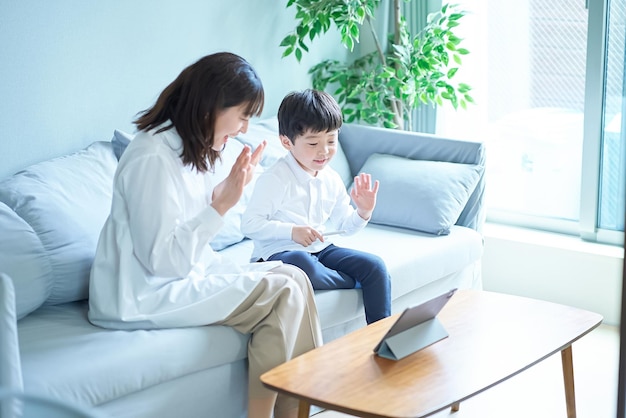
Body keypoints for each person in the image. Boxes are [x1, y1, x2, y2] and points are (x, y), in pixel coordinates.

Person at [87, 52, 323, 418]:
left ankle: (298, 412)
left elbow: (184, 231)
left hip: (181, 275)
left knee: (295, 277)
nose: (244, 128)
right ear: (211, 106)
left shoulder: (188, 150)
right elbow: (163, 262)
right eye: (243, 116)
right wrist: (221, 206)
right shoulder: (152, 157)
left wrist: (222, 194)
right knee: (281, 290)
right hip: (140, 294)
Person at [241, 89, 391, 324]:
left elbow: (345, 226)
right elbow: (250, 225)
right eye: (313, 143)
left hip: (320, 250)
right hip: (277, 254)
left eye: (331, 140)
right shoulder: (275, 178)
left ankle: (383, 336)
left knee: (375, 266)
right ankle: (351, 281)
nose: (324, 151)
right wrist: (292, 231)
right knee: (302, 265)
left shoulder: (330, 177)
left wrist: (363, 212)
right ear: (286, 142)